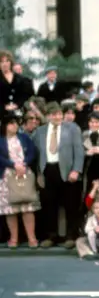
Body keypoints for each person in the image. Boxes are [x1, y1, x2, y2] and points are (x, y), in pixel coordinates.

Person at [34, 102, 84, 248]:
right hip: (47, 171)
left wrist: (76, 170)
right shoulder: (40, 131)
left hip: (67, 171)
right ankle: (51, 236)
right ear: (48, 116)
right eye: (54, 114)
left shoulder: (72, 128)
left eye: (59, 114)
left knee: (71, 205)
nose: (58, 117)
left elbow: (79, 151)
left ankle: (70, 236)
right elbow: (36, 153)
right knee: (49, 205)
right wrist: (38, 173)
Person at [0, 112, 40, 247]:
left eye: (16, 123)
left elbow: (32, 153)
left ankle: (32, 238)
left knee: (27, 207)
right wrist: (13, 165)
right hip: (6, 176)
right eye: (11, 123)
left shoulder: (24, 137)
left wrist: (24, 164)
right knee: (10, 209)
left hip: (24, 174)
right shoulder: (0, 139)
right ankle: (14, 239)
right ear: (4, 125)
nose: (15, 126)